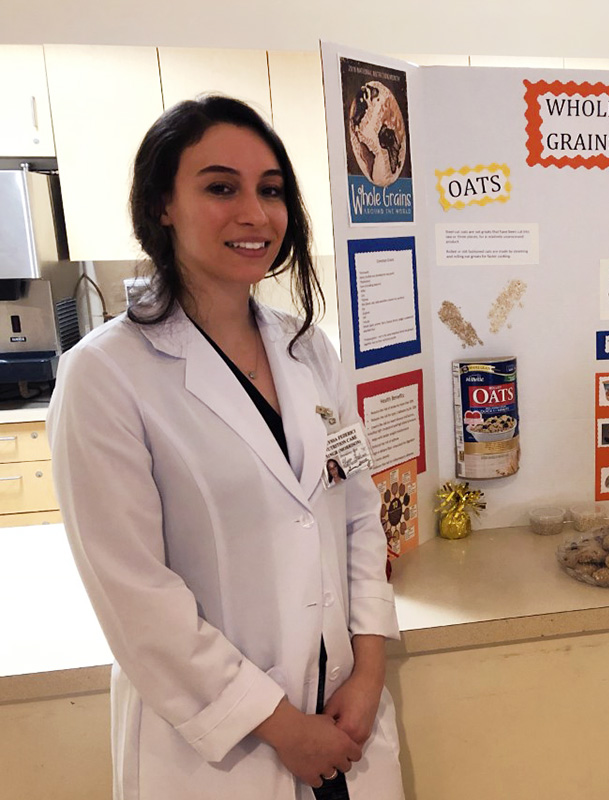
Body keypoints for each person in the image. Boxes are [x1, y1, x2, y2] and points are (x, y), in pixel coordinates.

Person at [47, 96, 403, 799]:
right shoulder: (107, 374)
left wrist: (368, 670)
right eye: (220, 187)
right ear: (162, 206)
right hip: (224, 750)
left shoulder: (309, 349)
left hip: (344, 723)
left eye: (270, 190)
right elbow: (137, 597)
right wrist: (282, 728)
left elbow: (360, 513)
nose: (255, 213)